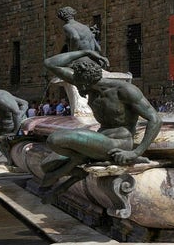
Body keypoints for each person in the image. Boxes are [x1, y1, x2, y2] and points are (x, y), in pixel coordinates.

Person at [39, 49, 161, 197]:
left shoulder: (124, 90)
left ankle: (78, 160)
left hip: (118, 143)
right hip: (100, 140)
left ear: (84, 80)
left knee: (54, 139)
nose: (74, 84)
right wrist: (86, 52)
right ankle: (78, 164)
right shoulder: (89, 86)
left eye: (76, 81)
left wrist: (136, 152)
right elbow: (50, 63)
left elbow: (155, 119)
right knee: (46, 165)